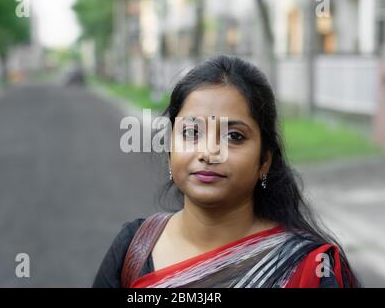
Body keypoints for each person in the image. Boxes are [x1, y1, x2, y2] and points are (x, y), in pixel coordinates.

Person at [92, 55, 360, 288]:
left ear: (264, 161)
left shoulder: (309, 268)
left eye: (234, 136)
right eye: (191, 132)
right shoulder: (134, 248)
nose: (209, 153)